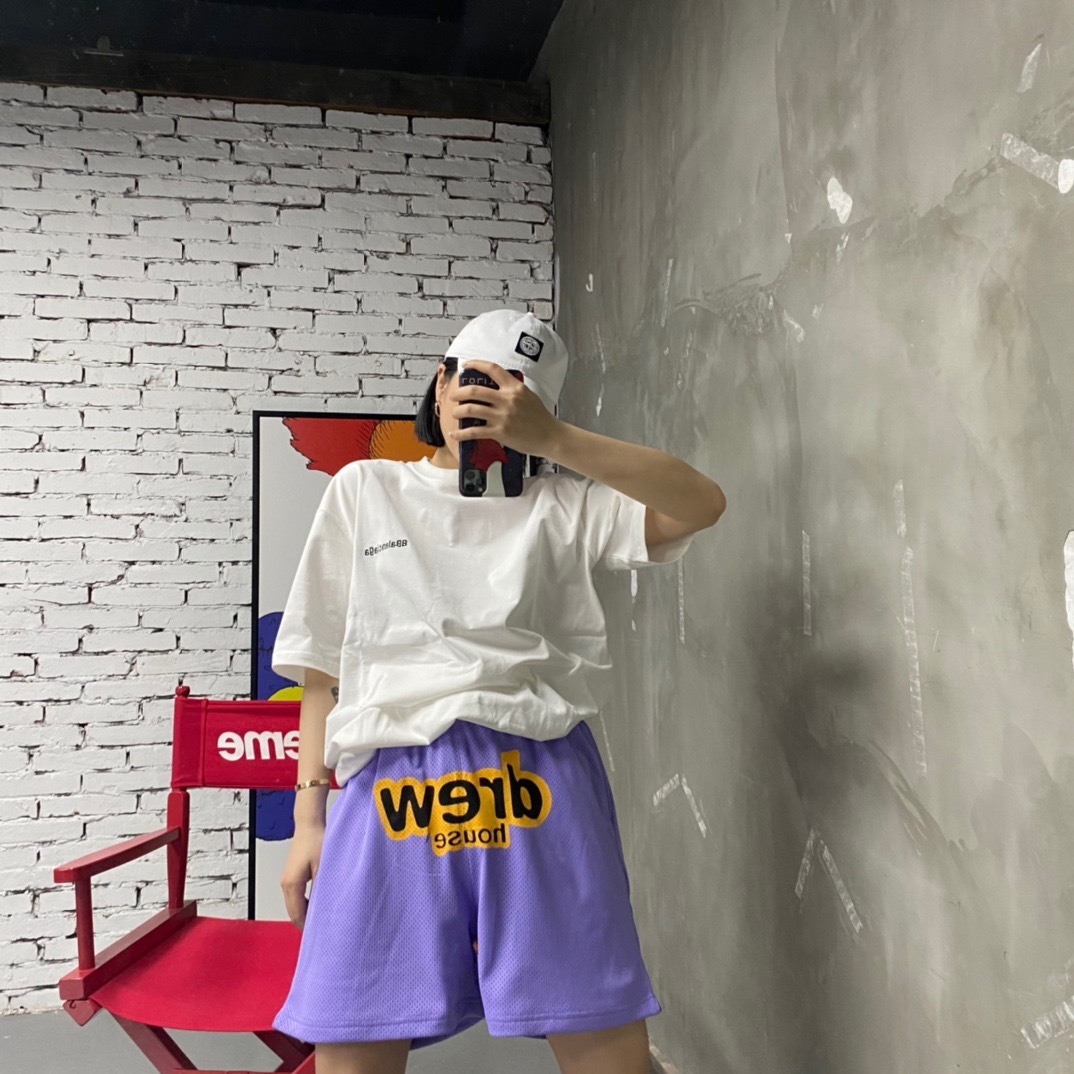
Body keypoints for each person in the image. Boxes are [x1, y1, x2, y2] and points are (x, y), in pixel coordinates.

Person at [270, 308, 726, 1074]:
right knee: (351, 1032)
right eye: (474, 380)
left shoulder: (564, 503)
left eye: (514, 392)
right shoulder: (365, 489)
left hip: (538, 776)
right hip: (393, 780)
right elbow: (323, 671)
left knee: (601, 1033)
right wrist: (308, 820)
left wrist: (556, 441)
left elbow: (701, 504)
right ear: (440, 382)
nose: (481, 404)